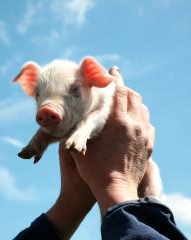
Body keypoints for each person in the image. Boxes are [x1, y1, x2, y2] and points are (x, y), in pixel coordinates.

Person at [13, 68, 188, 240]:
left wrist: (72, 202)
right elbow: (49, 132)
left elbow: (93, 120)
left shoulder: (98, 100)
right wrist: (118, 187)